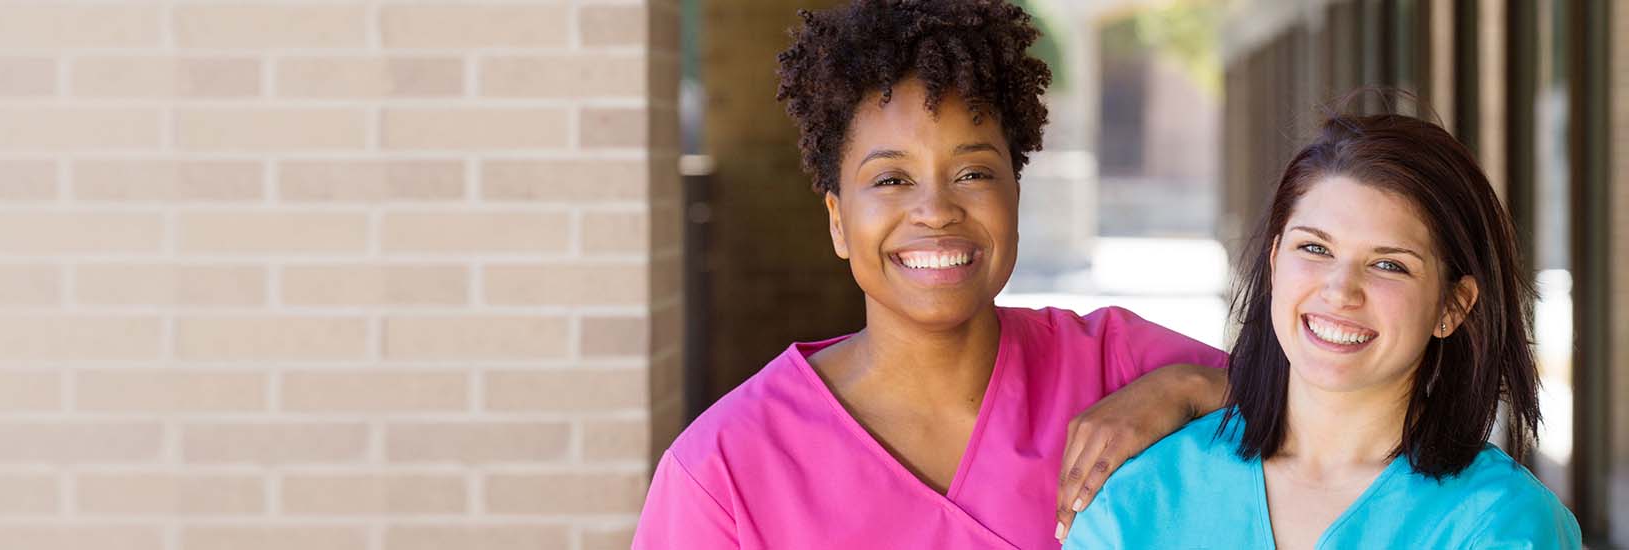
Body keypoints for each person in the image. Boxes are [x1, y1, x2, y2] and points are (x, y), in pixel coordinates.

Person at [632, 1, 1229, 548]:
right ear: (838, 223)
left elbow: (1313, 411)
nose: (937, 210)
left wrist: (1193, 391)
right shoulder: (724, 468)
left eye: (973, 173)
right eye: (891, 180)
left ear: (1014, 197)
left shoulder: (1118, 368)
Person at [1063, 111, 1582, 548]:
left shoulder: (1501, 524)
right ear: (1273, 262)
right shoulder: (1143, 495)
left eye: (1390, 265)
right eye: (1314, 248)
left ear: (1453, 305)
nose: (1340, 290)